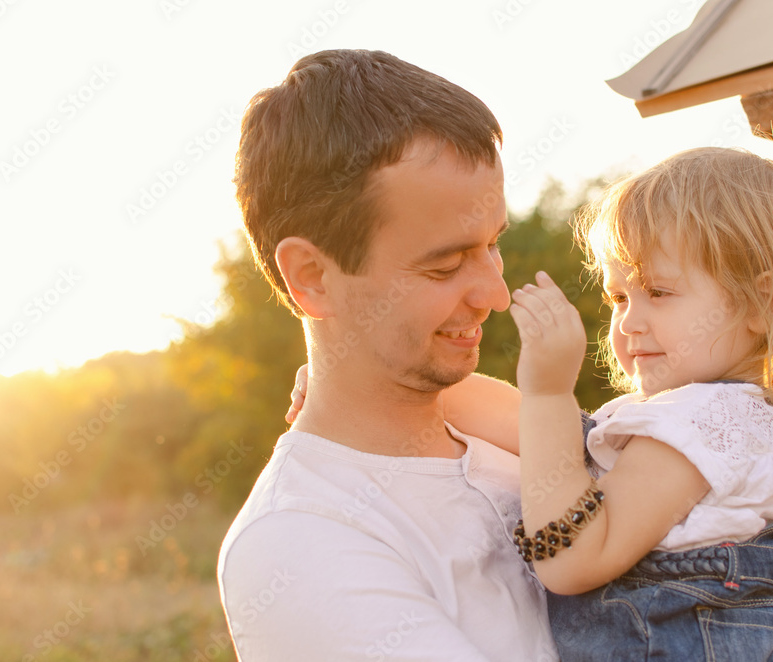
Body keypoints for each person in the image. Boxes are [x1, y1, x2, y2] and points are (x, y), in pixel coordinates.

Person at [442, 147, 773, 660]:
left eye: (659, 293)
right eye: (619, 297)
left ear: (763, 303)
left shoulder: (714, 424)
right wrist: (394, 386)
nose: (629, 323)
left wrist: (549, 393)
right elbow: (539, 435)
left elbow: (572, 557)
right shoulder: (689, 416)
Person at [217, 49, 559, 661]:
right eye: (446, 264)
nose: (496, 294)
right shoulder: (298, 541)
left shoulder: (510, 430)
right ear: (313, 277)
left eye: (492, 247)